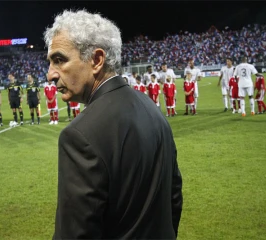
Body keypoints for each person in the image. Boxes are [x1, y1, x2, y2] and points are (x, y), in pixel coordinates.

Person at [44, 9, 182, 239]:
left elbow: (76, 233)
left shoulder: (79, 135)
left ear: (97, 60)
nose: (51, 74)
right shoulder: (151, 109)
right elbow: (173, 198)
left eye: (59, 60)